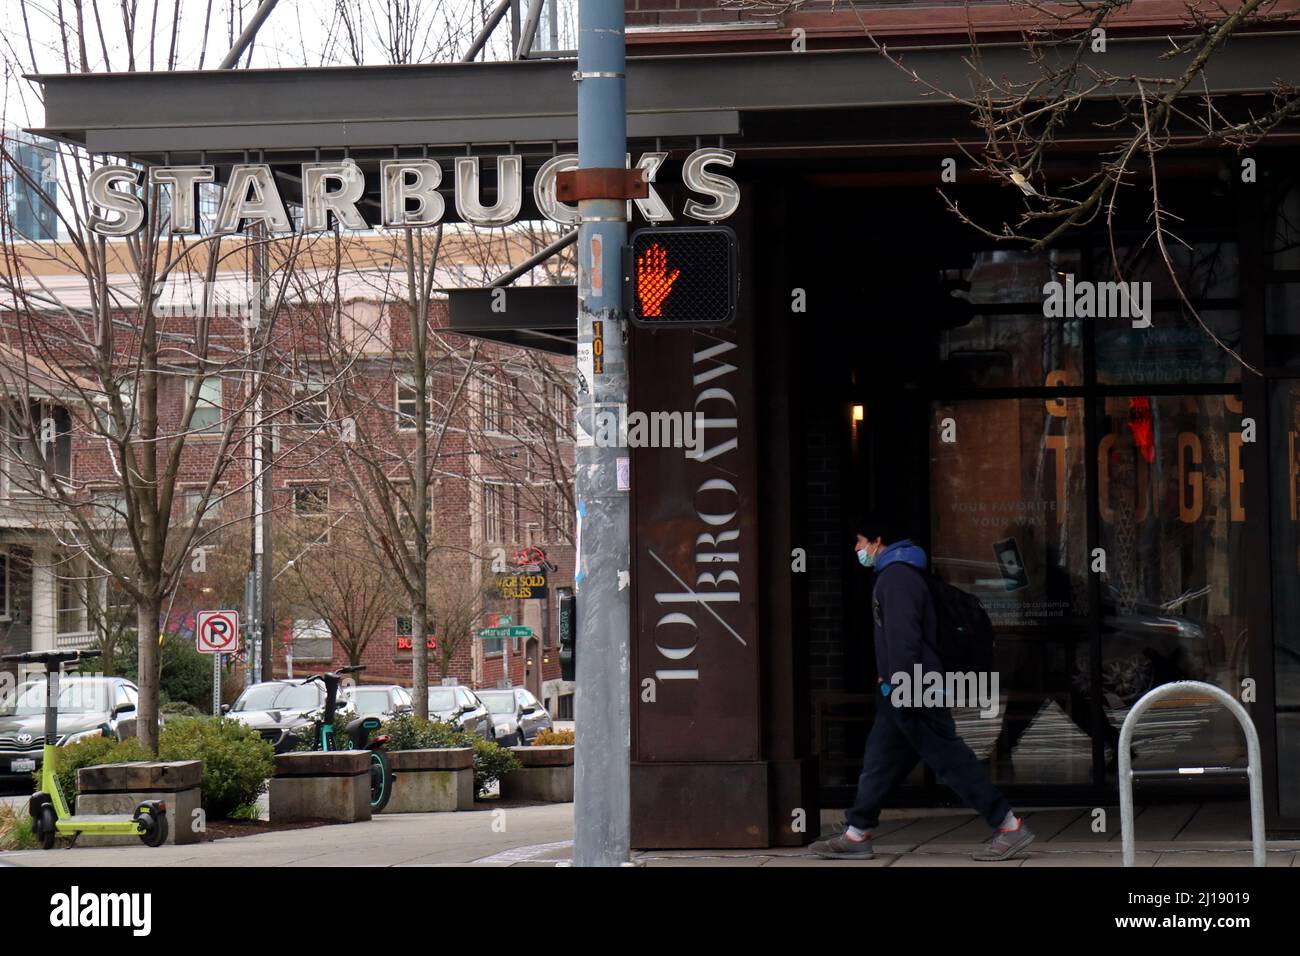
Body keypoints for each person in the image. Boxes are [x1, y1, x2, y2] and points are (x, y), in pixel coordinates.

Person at [810, 513, 1035, 862]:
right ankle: (858, 832)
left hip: (912, 687)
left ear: (877, 541)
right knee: (879, 761)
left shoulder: (895, 578)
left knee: (950, 760)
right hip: (902, 688)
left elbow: (904, 641)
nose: (857, 548)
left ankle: (1008, 826)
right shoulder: (903, 573)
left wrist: (901, 686)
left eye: (860, 541)